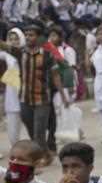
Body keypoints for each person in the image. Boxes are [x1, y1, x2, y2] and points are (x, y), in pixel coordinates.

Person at [2, 25, 67, 161]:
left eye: (31, 35)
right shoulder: (20, 53)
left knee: (38, 132)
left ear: (38, 37)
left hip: (42, 99)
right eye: (26, 34)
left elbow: (55, 76)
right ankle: (46, 154)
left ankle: (36, 161)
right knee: (32, 132)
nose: (27, 37)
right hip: (25, 99)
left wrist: (63, 96)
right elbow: (3, 46)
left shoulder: (47, 54)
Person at [0, 28, 24, 148]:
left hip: (27, 95)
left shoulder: (26, 52)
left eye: (16, 39)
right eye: (11, 39)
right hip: (12, 96)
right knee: (13, 130)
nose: (14, 41)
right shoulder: (6, 55)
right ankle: (16, 149)